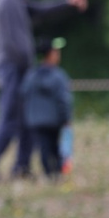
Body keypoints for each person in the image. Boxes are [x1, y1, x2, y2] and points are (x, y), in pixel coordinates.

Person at [0, 0, 88, 181]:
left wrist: (67, 2)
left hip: (21, 68)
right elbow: (12, 43)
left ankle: (22, 166)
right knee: (10, 118)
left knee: (28, 119)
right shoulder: (7, 1)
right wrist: (30, 68)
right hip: (13, 68)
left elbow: (41, 9)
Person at [20, 37, 73, 179]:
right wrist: (66, 118)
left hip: (36, 120)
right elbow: (64, 100)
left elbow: (23, 93)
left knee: (43, 148)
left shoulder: (31, 75)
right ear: (51, 54)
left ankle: (48, 173)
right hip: (54, 120)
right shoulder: (59, 76)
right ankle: (57, 173)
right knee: (55, 146)